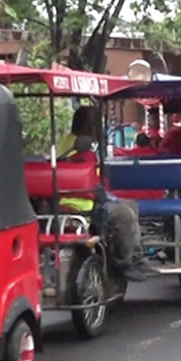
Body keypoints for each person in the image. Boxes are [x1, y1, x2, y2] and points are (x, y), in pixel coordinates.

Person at [52, 106, 151, 281]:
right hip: (79, 201)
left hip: (81, 196)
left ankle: (136, 256)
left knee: (131, 204)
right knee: (124, 214)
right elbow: (88, 180)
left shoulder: (71, 142)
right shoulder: (80, 148)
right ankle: (124, 262)